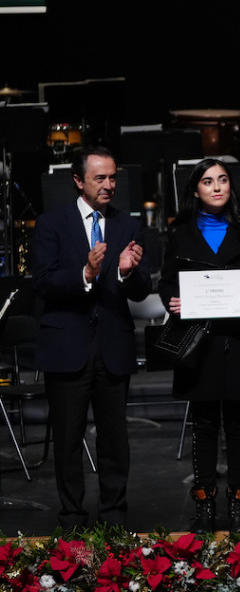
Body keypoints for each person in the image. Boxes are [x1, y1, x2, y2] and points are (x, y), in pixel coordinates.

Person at [32, 146, 149, 529]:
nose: (109, 185)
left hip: (113, 345)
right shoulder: (51, 224)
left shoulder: (126, 224)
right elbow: (44, 283)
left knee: (115, 441)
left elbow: (141, 290)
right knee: (68, 440)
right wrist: (85, 272)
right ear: (79, 181)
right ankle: (73, 521)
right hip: (68, 346)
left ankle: (115, 519)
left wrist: (127, 271)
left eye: (113, 177)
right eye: (100, 178)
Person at [158, 159, 240, 535]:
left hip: (239, 342)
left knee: (239, 425)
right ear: (196, 190)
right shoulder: (180, 231)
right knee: (205, 425)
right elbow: (166, 282)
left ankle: (239, 506)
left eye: (223, 180)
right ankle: (205, 504)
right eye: (208, 182)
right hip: (199, 344)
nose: (217, 187)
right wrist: (172, 300)